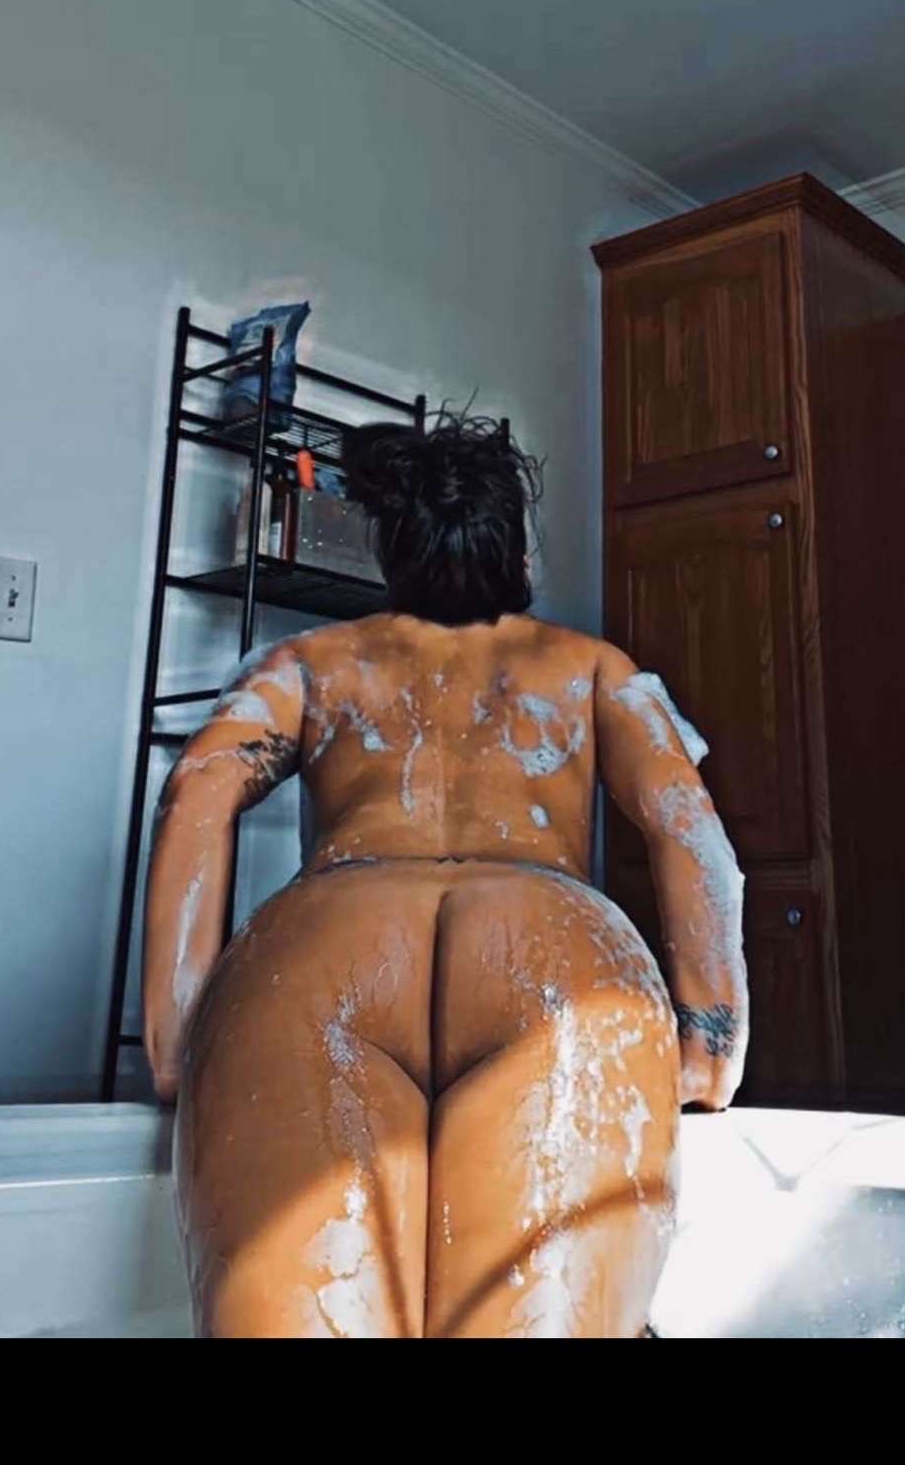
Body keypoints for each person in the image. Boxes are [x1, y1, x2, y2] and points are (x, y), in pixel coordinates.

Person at [142, 411, 748, 1339]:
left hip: (322, 959)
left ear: (393, 550)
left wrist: (179, 1039)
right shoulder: (593, 668)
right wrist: (709, 1035)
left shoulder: (309, 664)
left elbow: (196, 791)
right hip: (553, 960)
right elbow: (688, 825)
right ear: (516, 551)